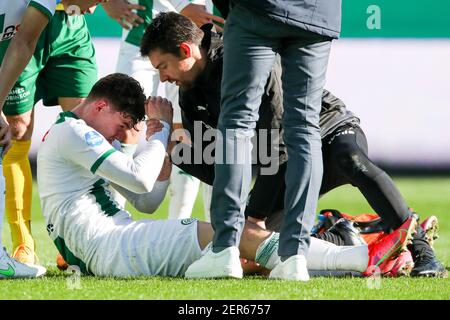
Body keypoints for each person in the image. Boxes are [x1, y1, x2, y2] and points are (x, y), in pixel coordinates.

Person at [139, 13, 446, 277]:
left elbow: (278, 144)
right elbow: (223, 166)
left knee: (349, 160)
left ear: (185, 50)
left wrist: (254, 213)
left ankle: (421, 251)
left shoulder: (242, 56)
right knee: (259, 250)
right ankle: (351, 230)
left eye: (162, 66)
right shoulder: (191, 94)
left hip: (326, 132)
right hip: (281, 163)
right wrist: (173, 150)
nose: (163, 78)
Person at [36, 73, 415, 278]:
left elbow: (148, 201)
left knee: (248, 260)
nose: (119, 138)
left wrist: (162, 150)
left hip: (111, 250)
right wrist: (160, 129)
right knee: (236, 235)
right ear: (100, 105)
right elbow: (138, 179)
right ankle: (363, 255)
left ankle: (356, 256)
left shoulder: (80, 139)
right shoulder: (73, 132)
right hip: (114, 247)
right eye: (120, 128)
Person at [0, 0, 104, 265]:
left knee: (87, 129)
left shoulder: (82, 10)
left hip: (70, 28)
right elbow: (23, 42)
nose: (95, 10)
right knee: (17, 131)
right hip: (22, 28)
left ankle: (76, 240)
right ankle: (24, 243)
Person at [101, 0, 222, 221]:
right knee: (124, 125)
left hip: (195, 34)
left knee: (195, 133)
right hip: (141, 32)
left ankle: (201, 228)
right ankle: (110, 223)